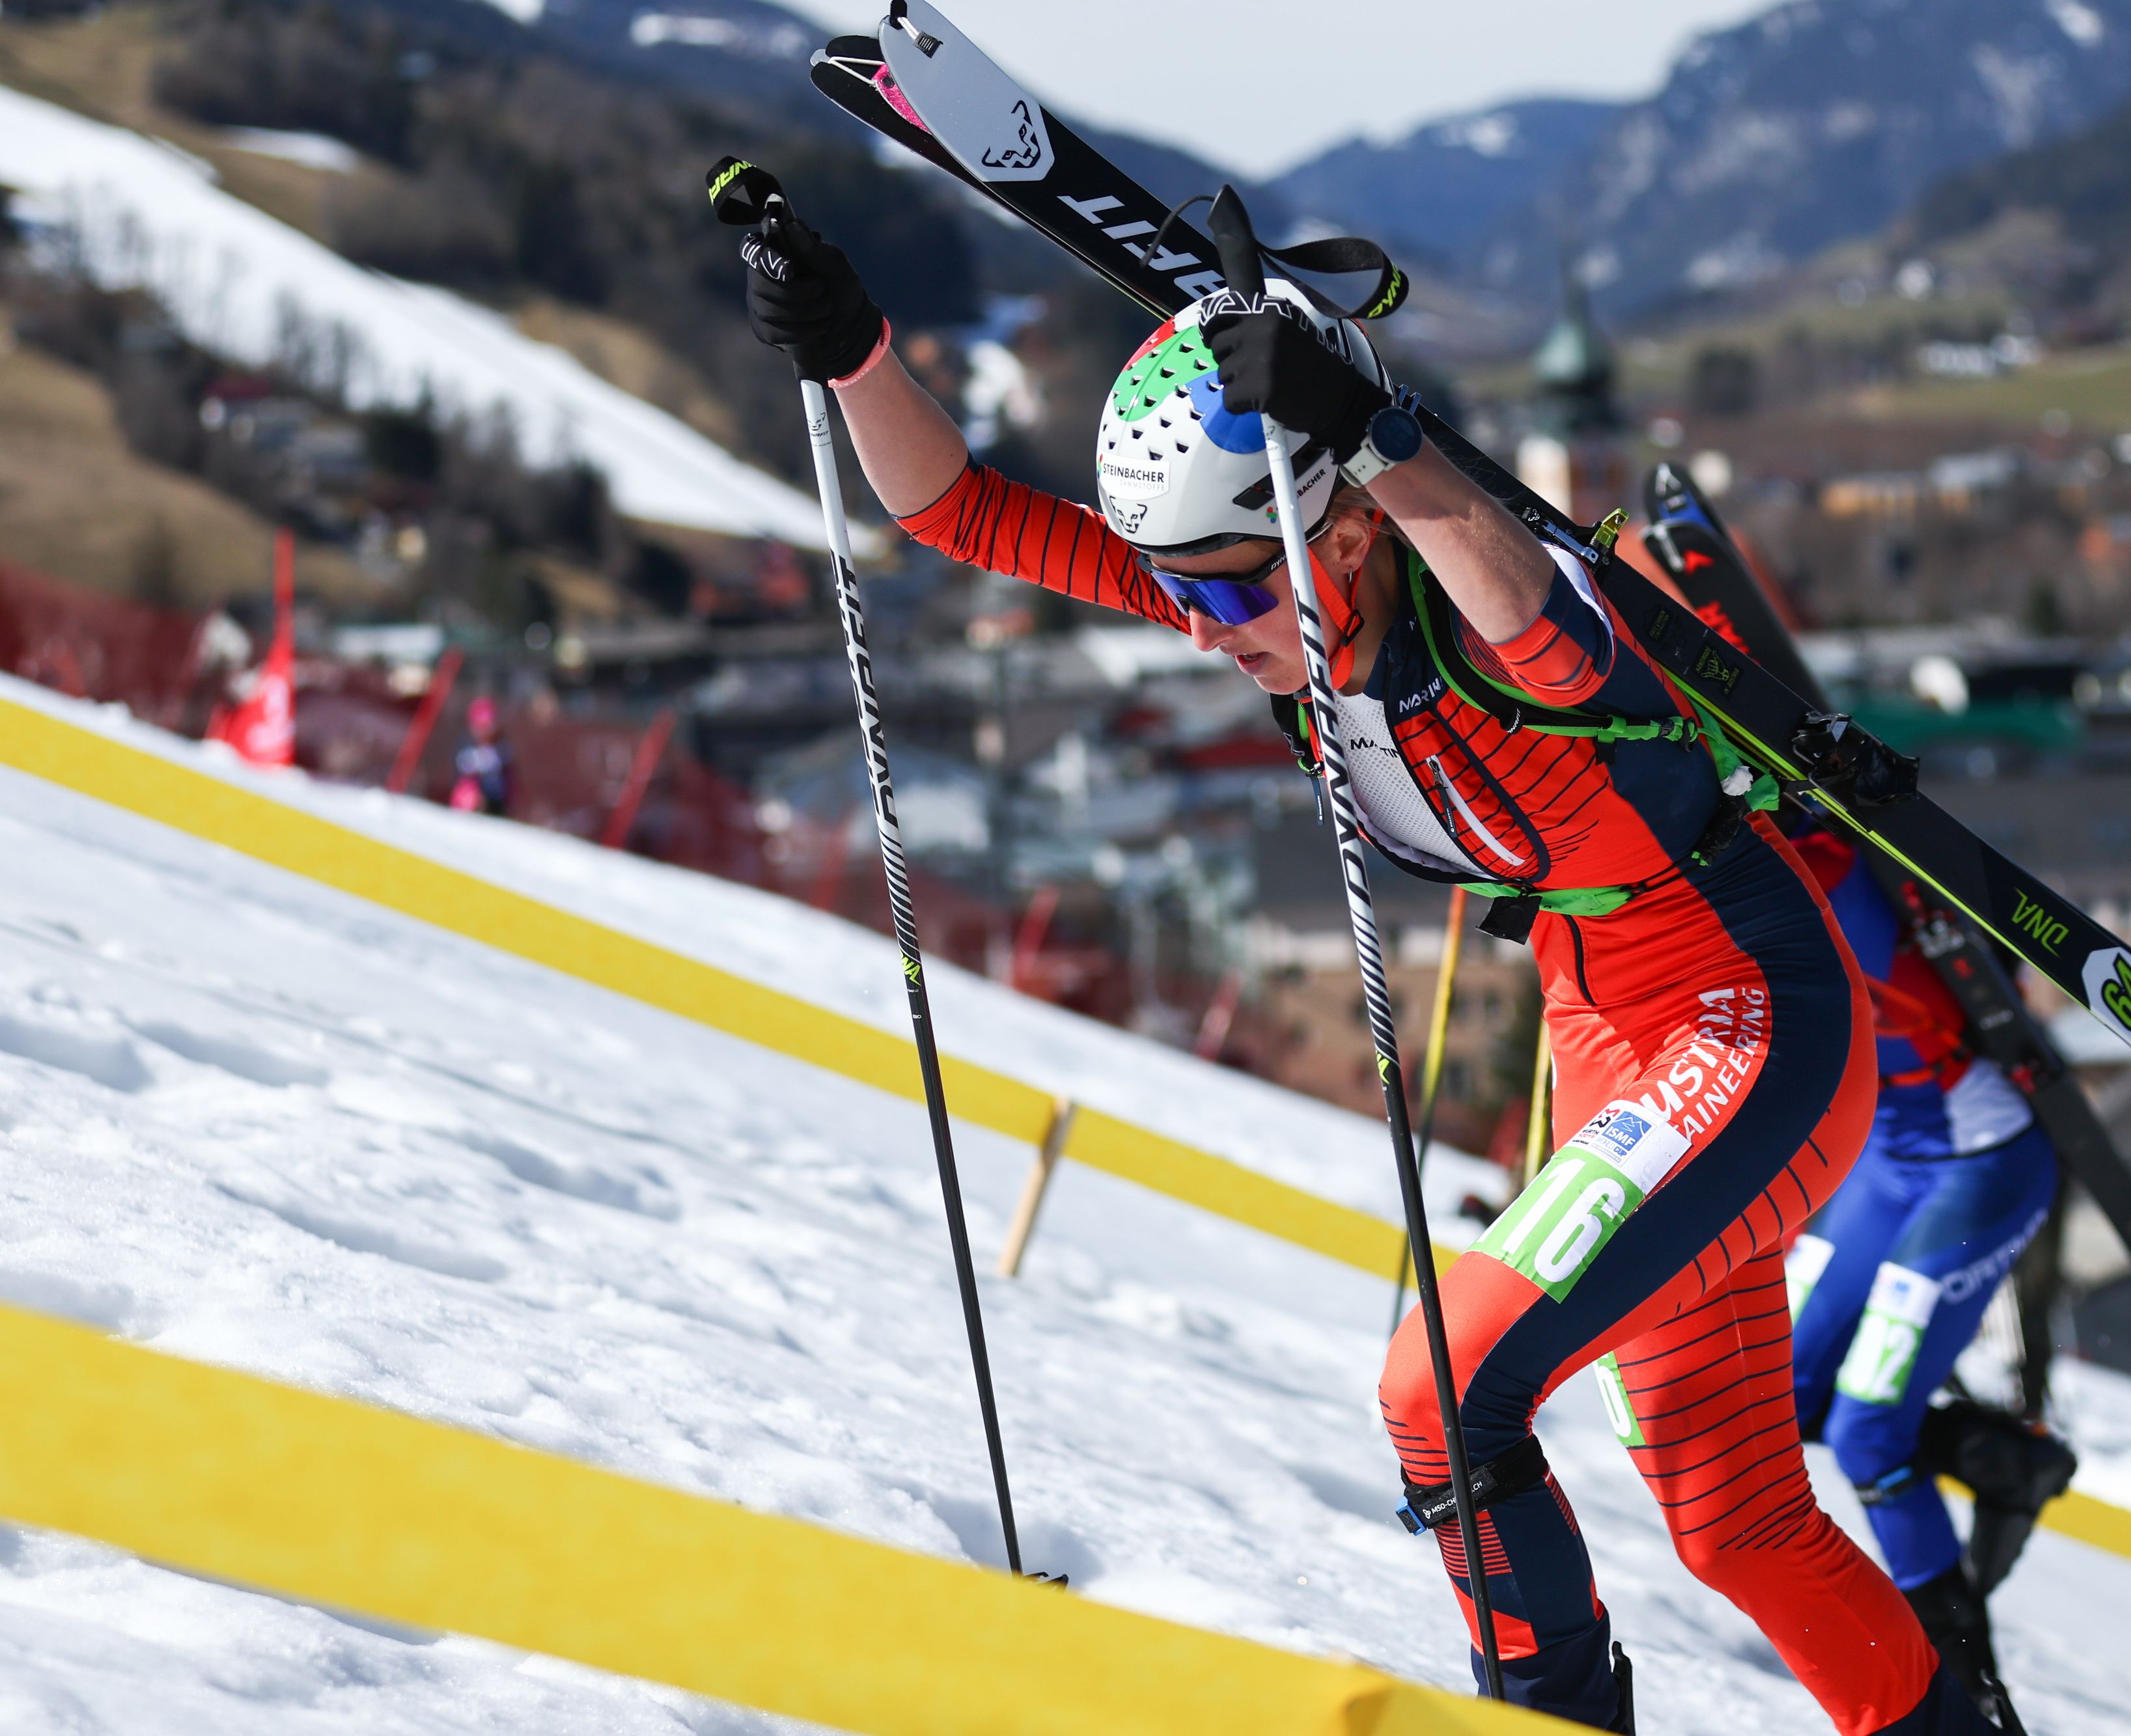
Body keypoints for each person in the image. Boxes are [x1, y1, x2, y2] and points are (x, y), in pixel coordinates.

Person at [738, 214, 2003, 1734]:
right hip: (1607, 1032)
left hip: (1744, 1014)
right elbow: (961, 514)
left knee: (1438, 1397)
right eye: (1183, 594)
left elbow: (1531, 613)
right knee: (1731, 1520)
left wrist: (1377, 437)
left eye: (1219, 593)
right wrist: (857, 350)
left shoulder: (1491, 607)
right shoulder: (1288, 603)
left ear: (1340, 537)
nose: (1202, 631)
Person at [1784, 837, 2078, 1721]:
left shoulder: (1815, 858)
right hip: (1887, 1154)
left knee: (1870, 1429)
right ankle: (2004, 1465)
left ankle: (1971, 1695)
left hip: (1978, 1157)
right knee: (1782, 1392)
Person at [449, 695, 514, 814]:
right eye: (480, 727)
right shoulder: (465, 748)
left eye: (487, 727)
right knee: (468, 793)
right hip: (471, 805)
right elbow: (462, 773)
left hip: (496, 806)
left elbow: (507, 784)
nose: (484, 732)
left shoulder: (501, 749)